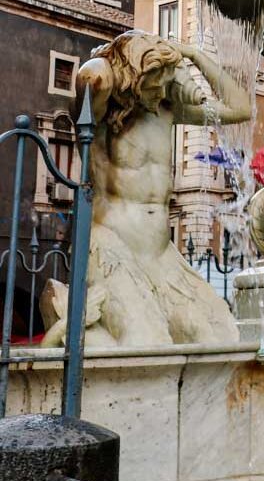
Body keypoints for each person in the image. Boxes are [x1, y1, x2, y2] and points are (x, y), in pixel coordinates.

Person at [63, 30, 251, 347]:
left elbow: (241, 109)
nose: (163, 89)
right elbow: (91, 77)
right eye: (157, 81)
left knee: (219, 336)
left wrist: (194, 55)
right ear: (135, 75)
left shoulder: (166, 111)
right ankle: (70, 330)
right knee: (146, 341)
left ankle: (78, 329)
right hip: (112, 246)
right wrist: (121, 51)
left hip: (161, 255)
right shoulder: (101, 115)